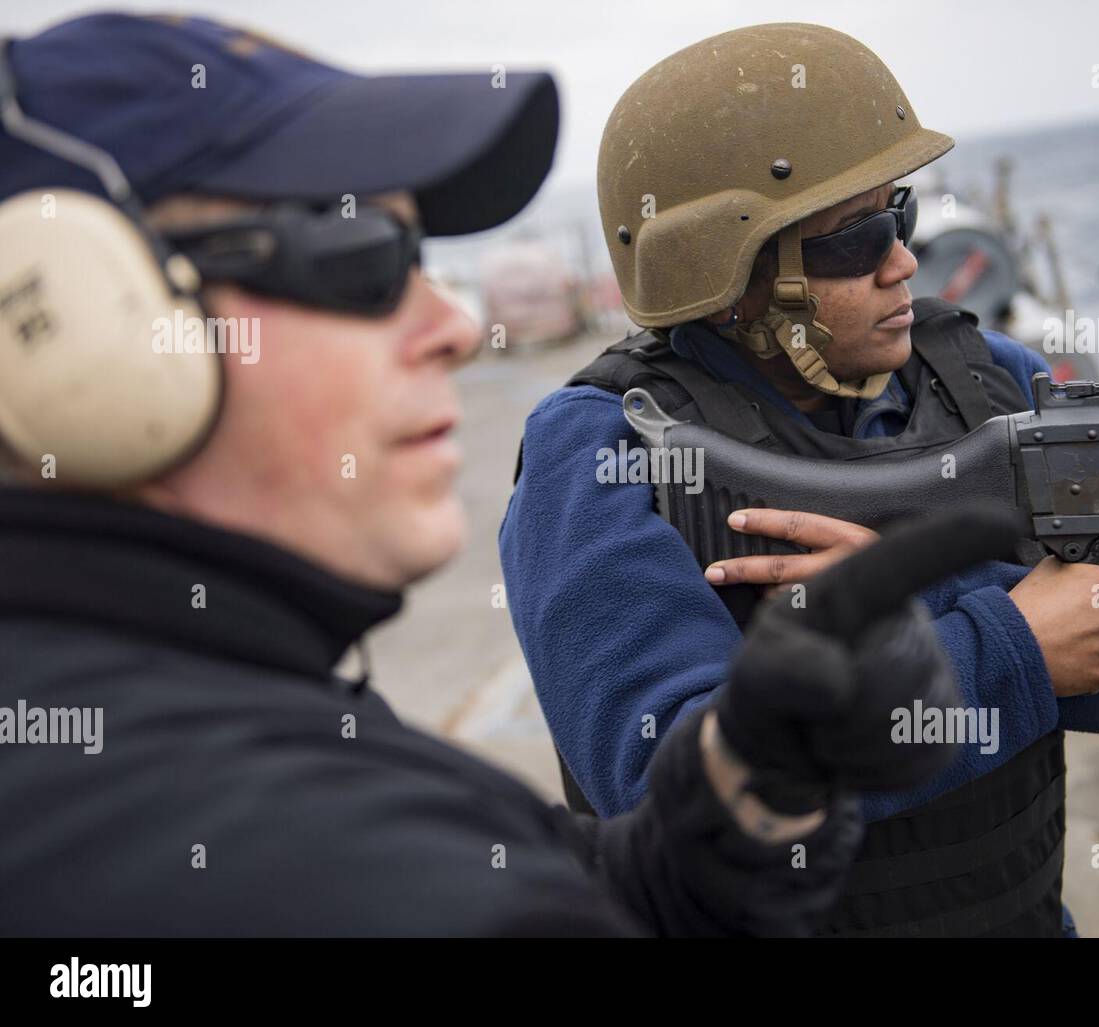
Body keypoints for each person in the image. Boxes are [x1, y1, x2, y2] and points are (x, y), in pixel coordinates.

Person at [0, 13, 975, 937]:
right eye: (358, 255)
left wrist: (750, 774)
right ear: (65, 324)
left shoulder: (211, 710)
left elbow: (602, 881)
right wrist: (1007, 643)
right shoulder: (256, 841)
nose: (458, 326)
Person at [500, 22, 1099, 937]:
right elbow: (662, 796)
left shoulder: (988, 380)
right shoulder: (605, 446)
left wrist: (938, 602)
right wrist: (1010, 645)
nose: (904, 261)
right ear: (733, 278)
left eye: (903, 214)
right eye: (859, 237)